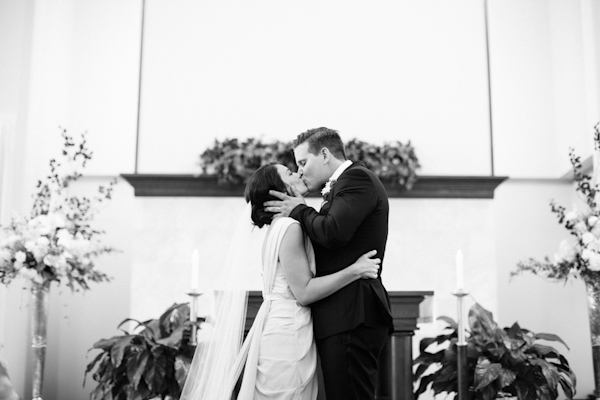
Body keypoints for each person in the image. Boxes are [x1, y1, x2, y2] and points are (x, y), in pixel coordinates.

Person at [181, 163, 382, 400]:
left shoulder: (279, 227)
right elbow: (304, 292)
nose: (298, 173)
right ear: (280, 190)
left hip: (282, 325)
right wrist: (355, 270)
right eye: (289, 172)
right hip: (287, 333)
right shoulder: (290, 228)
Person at [264, 127, 394, 400]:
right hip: (341, 315)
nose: (300, 171)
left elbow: (333, 232)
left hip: (352, 313)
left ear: (324, 154)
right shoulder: (341, 187)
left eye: (303, 162)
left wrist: (299, 209)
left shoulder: (356, 178)